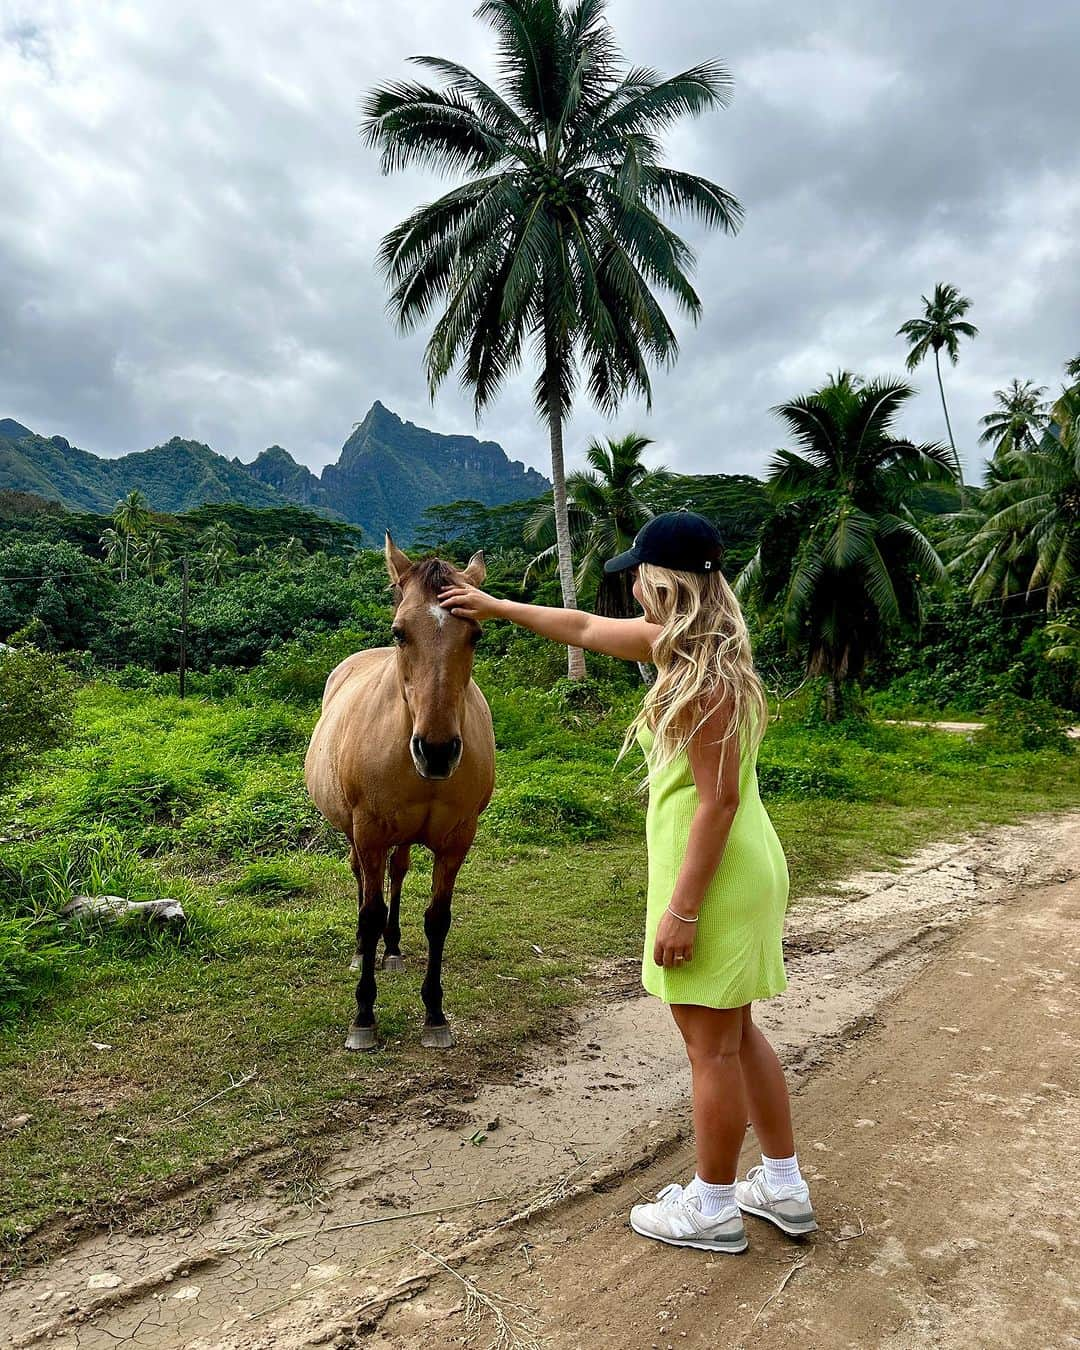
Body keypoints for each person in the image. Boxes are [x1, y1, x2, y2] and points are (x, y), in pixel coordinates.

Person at [437, 509, 815, 1255]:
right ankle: (781, 1183)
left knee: (711, 1049)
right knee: (736, 1033)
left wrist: (681, 909)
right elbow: (579, 628)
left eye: (637, 576)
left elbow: (719, 803)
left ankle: (711, 1205)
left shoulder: (703, 680)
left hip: (715, 876)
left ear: (661, 582)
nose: (630, 590)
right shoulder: (687, 653)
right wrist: (496, 608)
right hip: (738, 869)